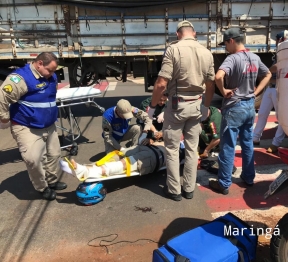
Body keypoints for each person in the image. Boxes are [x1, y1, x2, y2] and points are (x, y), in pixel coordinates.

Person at [148, 20, 215, 201]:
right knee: (192, 149)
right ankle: (189, 188)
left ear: (178, 34)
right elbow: (210, 85)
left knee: (172, 149)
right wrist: (206, 106)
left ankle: (174, 190)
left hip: (177, 105)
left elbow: (162, 83)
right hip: (196, 104)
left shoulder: (173, 49)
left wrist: (153, 107)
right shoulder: (207, 53)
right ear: (194, 33)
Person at [209, 28, 271, 195]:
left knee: (228, 145)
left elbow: (218, 76)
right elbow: (268, 74)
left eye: (225, 45)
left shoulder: (232, 59)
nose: (225, 49)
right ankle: (249, 177)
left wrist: (223, 91)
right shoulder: (255, 57)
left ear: (231, 41)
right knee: (247, 143)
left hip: (234, 106)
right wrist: (256, 92)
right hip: (249, 106)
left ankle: (224, 183)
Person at [0, 52, 66, 201]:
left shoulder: (50, 76)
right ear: (40, 63)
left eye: (54, 71)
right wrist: (4, 119)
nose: (52, 74)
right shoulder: (20, 79)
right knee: (34, 159)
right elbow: (2, 98)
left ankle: (52, 181)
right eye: (50, 70)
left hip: (48, 125)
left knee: (54, 155)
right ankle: (42, 187)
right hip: (27, 126)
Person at [60, 141, 185, 181]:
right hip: (148, 147)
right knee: (117, 155)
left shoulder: (188, 149)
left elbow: (185, 157)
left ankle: (87, 172)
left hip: (155, 155)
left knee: (125, 163)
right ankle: (85, 167)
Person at [253, 30, 288, 153]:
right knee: (262, 113)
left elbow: (278, 67)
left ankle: (276, 143)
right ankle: (255, 137)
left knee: (280, 117)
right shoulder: (282, 51)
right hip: (271, 87)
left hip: (279, 88)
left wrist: (268, 71)